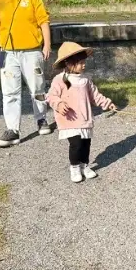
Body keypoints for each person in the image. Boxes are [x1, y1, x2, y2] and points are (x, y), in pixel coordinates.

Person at [0, 0, 52, 147]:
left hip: (31, 51)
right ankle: (12, 130)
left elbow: (44, 22)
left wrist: (46, 45)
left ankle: (41, 119)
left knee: (37, 88)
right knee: (9, 93)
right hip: (8, 53)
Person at [46, 41, 117, 183]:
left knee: (86, 144)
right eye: (80, 63)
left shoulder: (85, 80)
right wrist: (59, 104)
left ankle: (84, 165)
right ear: (68, 63)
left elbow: (95, 96)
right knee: (76, 144)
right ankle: (74, 167)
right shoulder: (60, 80)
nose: (84, 65)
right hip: (70, 120)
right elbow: (51, 96)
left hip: (85, 119)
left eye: (84, 62)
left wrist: (106, 103)